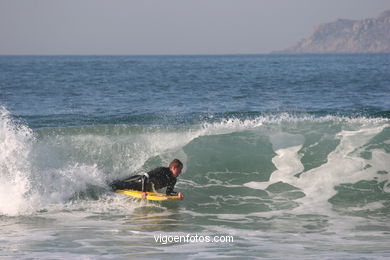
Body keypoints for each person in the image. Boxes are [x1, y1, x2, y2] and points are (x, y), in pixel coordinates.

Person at [110, 159, 184, 200]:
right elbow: (145, 176)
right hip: (137, 181)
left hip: (143, 188)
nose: (180, 172)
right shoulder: (162, 170)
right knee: (115, 185)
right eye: (179, 170)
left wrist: (177, 194)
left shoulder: (173, 180)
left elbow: (169, 192)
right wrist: (143, 191)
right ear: (173, 168)